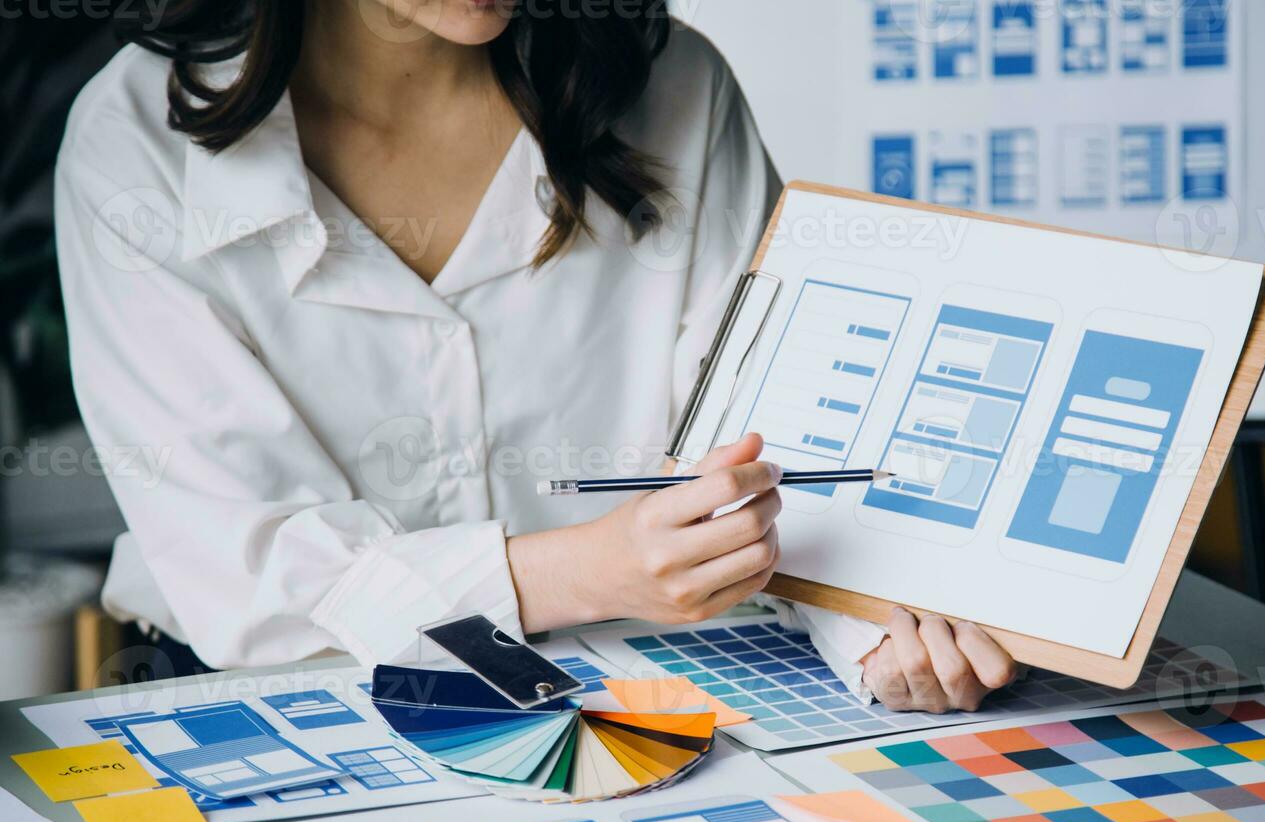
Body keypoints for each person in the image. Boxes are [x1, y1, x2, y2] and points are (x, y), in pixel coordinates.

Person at [55, 0, 1017, 713]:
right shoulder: (136, 140)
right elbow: (251, 577)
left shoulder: (675, 84)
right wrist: (582, 572)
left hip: (650, 687)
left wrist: (882, 638)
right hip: (282, 701)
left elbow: (778, 447)